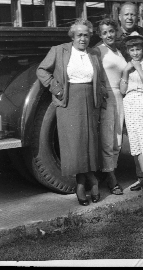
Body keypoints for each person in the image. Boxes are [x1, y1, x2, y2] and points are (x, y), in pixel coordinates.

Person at [36, 18, 108, 206]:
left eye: (86, 35)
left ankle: (90, 178)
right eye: (79, 35)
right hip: (68, 102)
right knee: (74, 145)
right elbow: (42, 70)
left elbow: (100, 79)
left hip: (90, 102)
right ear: (73, 36)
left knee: (90, 143)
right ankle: (82, 182)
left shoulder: (94, 53)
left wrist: (100, 97)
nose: (83, 39)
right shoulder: (59, 50)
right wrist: (56, 89)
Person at [120, 32, 143, 194]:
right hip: (129, 102)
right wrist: (126, 72)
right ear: (128, 51)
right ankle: (142, 178)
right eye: (132, 50)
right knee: (134, 140)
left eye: (138, 49)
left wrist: (139, 69)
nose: (135, 53)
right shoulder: (127, 66)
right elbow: (122, 90)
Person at [93, 17, 127, 195]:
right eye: (104, 32)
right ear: (100, 34)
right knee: (107, 138)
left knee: (118, 138)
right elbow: (94, 73)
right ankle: (111, 178)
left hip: (119, 97)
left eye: (111, 31)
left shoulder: (119, 51)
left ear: (116, 31)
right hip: (106, 96)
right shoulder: (99, 51)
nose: (109, 35)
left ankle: (110, 172)